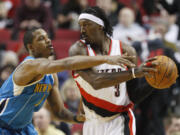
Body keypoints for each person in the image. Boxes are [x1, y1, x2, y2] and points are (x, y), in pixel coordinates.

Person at [0, 27, 136, 134]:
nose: (48, 40)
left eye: (48, 37)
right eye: (41, 38)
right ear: (31, 47)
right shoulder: (29, 66)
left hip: (23, 128)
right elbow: (67, 63)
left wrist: (78, 118)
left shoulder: (51, 77)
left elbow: (59, 112)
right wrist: (106, 58)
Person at [69, 6, 157, 135]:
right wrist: (132, 73)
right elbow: (95, 82)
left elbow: (134, 95)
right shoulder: (78, 50)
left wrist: (154, 82)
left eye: (86, 25)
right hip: (92, 122)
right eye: (80, 26)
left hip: (119, 120)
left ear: (100, 26)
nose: (82, 30)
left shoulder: (126, 51)